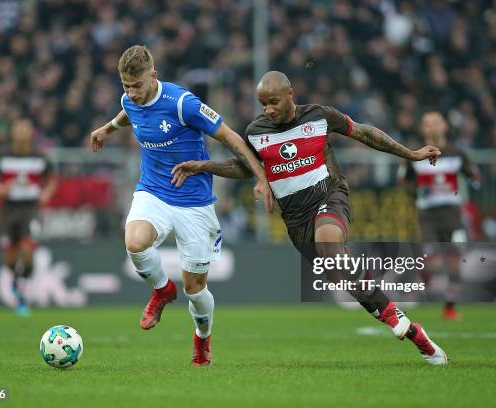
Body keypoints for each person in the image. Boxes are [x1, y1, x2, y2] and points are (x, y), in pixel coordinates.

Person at [171, 71, 448, 365]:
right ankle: (417, 335)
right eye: (263, 104)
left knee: (329, 245)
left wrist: (411, 154)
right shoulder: (256, 131)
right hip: (296, 219)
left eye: (273, 102)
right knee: (340, 275)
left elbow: (365, 133)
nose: (268, 109)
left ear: (290, 94)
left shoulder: (319, 116)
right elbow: (243, 167)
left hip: (329, 196)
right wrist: (204, 166)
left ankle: (396, 320)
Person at [90, 45, 273, 366]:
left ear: (154, 77)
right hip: (154, 191)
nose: (131, 93)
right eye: (125, 86)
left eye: (137, 85)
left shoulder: (182, 103)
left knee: (195, 288)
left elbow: (230, 137)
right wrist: (107, 128)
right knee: (134, 242)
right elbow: (126, 114)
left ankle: (203, 339)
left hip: (194, 203)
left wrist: (260, 176)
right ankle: (161, 290)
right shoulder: (127, 101)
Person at [397, 112, 481, 320]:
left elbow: (475, 178)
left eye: (436, 123)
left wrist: (473, 182)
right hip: (427, 215)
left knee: (454, 263)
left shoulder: (457, 153)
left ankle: (449, 308)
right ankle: (415, 289)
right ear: (422, 129)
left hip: (452, 214)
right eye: (427, 124)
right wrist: (416, 190)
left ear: (444, 126)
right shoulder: (414, 153)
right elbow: (402, 181)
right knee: (432, 263)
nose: (432, 127)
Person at [0, 118, 57, 317]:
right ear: (13, 132)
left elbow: (51, 179)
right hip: (7, 210)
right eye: (19, 128)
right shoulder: (2, 155)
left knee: (26, 251)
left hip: (30, 209)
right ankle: (18, 283)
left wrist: (47, 193)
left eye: (27, 128)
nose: (23, 132)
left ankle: (22, 293)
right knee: (9, 258)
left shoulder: (40, 156)